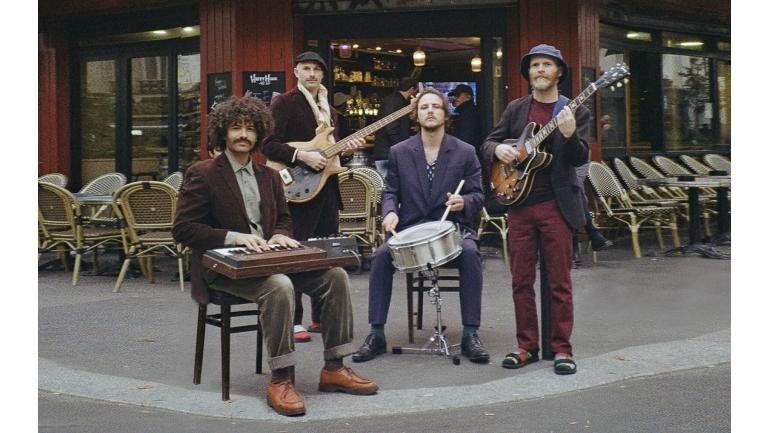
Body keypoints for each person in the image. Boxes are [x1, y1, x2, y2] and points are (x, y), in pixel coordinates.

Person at [172, 95, 377, 417]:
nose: (243, 134)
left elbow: (283, 218)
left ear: (259, 133)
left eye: (250, 128)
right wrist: (234, 236)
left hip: (269, 260)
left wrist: (282, 234)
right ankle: (281, 378)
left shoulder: (269, 175)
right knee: (279, 285)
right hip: (223, 270)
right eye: (236, 128)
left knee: (335, 276)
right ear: (223, 132)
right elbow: (184, 229)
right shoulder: (203, 173)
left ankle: (335, 368)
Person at [353, 88, 490, 364]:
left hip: (452, 229)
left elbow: (478, 194)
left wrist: (464, 201)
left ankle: (470, 333)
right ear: (415, 115)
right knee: (381, 257)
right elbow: (390, 191)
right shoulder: (399, 151)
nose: (430, 111)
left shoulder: (465, 152)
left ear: (445, 114)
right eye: (424, 107)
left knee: (471, 254)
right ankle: (376, 334)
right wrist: (390, 212)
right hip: (411, 228)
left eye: (436, 106)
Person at [481, 44, 590, 375]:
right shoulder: (517, 109)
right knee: (521, 280)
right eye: (535, 65)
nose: (540, 69)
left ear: (559, 72)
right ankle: (526, 345)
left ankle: (561, 349)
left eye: (547, 64)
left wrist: (569, 135)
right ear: (528, 73)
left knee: (560, 281)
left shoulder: (573, 110)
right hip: (519, 205)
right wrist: (498, 150)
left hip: (556, 205)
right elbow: (487, 143)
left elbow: (580, 158)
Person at [263, 52, 364, 342]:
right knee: (295, 253)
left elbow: (330, 153)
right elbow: (268, 144)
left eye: (317, 70)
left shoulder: (329, 110)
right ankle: (294, 320)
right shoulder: (284, 102)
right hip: (297, 190)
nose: (311, 74)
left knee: (326, 253)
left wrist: (346, 151)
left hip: (327, 190)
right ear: (296, 71)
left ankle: (320, 317)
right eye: (306, 68)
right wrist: (301, 155)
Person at [372, 78, 418, 179]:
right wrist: (401, 148)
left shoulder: (393, 100)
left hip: (386, 152)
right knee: (389, 185)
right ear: (411, 89)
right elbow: (391, 128)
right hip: (388, 153)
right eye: (415, 91)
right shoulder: (396, 101)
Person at [448, 84, 482, 151]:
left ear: (468, 97)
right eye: (454, 96)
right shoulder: (463, 112)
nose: (455, 98)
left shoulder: (469, 114)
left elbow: (466, 139)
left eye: (458, 95)